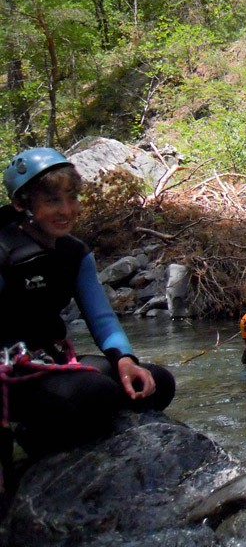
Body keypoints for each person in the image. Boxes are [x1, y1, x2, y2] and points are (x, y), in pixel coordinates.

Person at [0, 148, 176, 466]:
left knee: (157, 383)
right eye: (53, 200)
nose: (67, 210)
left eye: (71, 197)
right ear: (22, 204)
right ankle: (33, 437)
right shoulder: (3, 252)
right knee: (96, 394)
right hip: (10, 376)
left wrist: (124, 360)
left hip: (50, 362)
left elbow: (102, 319)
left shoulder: (74, 253)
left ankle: (51, 428)